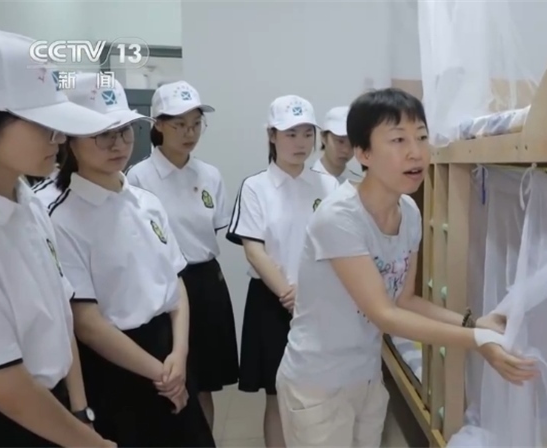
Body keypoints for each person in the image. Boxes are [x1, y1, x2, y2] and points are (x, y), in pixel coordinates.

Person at [276, 88, 538, 447]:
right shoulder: (339, 218)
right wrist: (478, 341)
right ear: (364, 153)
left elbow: (404, 300)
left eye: (422, 137)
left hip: (366, 377)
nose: (416, 152)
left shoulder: (410, 212)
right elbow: (385, 316)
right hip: (317, 383)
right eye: (398, 139)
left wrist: (474, 323)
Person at [46, 72, 215, 447]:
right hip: (116, 366)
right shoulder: (60, 216)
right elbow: (87, 323)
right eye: (102, 134)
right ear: (69, 138)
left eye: (124, 130)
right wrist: (162, 374)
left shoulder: (146, 202)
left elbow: (176, 283)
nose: (118, 143)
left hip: (169, 354)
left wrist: (180, 354)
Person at [0, 28, 117, 448]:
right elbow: (4, 383)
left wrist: (81, 412)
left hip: (54, 406)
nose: (60, 138)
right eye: (44, 125)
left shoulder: (28, 201)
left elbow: (61, 317)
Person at [226, 95, 339, 448]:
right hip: (272, 302)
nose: (300, 142)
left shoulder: (329, 186)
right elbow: (253, 250)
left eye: (307, 133)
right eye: (291, 134)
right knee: (277, 394)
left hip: (320, 301)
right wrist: (289, 295)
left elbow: (338, 244)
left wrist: (310, 296)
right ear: (272, 136)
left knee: (321, 391)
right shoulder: (255, 187)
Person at [126, 81, 238, 428]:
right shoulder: (139, 177)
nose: (190, 133)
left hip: (206, 282)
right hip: (164, 286)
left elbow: (211, 229)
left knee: (206, 384)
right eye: (179, 124)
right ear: (158, 125)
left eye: (196, 124)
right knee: (171, 380)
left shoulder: (209, 175)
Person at [311, 106, 364, 184]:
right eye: (340, 141)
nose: (346, 150)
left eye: (352, 143)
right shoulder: (303, 181)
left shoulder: (360, 184)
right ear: (323, 137)